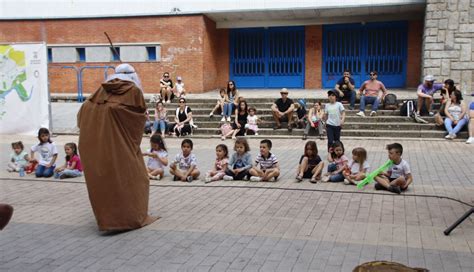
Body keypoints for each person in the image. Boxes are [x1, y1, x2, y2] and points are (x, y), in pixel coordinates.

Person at [77, 63, 157, 231]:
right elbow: (137, 118)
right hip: (120, 147)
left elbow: (82, 115)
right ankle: (127, 218)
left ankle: (108, 219)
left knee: (105, 182)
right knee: (133, 178)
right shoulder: (133, 91)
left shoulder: (98, 93)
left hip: (94, 146)